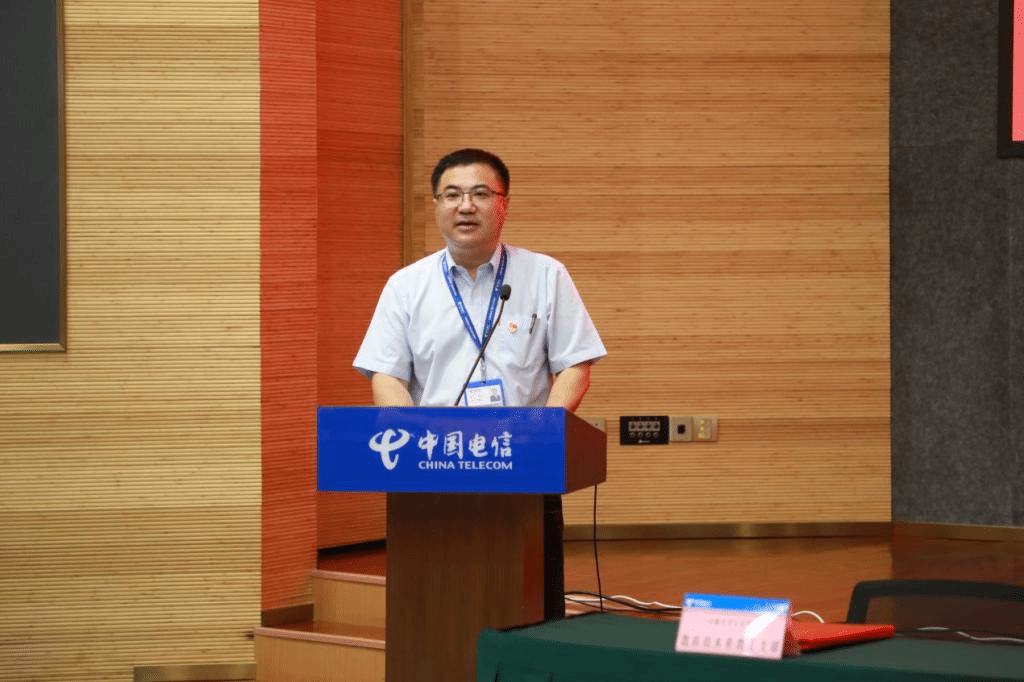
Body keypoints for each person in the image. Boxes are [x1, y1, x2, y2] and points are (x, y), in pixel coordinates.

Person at [353, 147, 606, 619]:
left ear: (504, 204)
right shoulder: (406, 286)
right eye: (451, 194)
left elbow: (576, 365)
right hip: (436, 465)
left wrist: (541, 433)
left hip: (523, 465)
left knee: (532, 603)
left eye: (480, 194)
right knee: (437, 605)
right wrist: (413, 439)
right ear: (436, 205)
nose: (465, 206)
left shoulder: (545, 275)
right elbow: (386, 373)